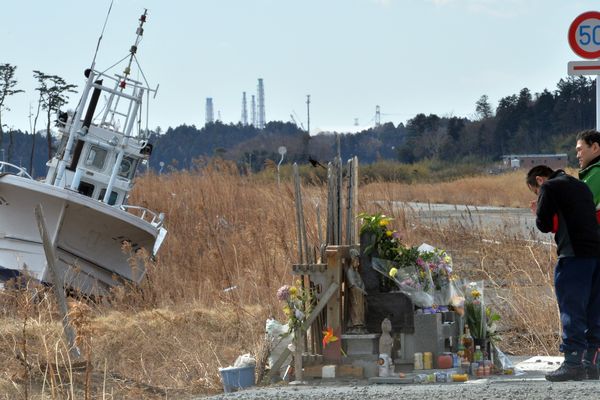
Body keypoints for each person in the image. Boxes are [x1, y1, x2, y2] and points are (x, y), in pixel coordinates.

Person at [527, 165, 600, 381]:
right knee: (594, 309)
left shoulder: (549, 187)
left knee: (572, 307)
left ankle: (573, 363)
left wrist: (537, 208)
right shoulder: (581, 186)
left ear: (540, 180)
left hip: (573, 253)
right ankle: (592, 363)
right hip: (596, 253)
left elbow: (544, 223)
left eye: (535, 192)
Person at [576, 129, 600, 222]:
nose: (577, 156)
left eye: (579, 150)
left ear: (595, 148)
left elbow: (577, 207)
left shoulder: (597, 171)